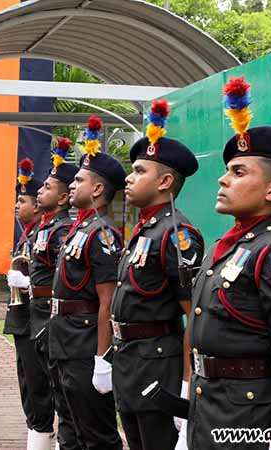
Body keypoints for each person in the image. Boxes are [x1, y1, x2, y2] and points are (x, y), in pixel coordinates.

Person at [186, 77, 271, 450]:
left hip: (249, 424)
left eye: (239, 172)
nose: (223, 180)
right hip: (209, 410)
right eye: (228, 170)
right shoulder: (227, 247)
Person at [108, 100, 204, 450]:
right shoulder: (145, 229)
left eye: (138, 171)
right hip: (130, 359)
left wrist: (186, 382)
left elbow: (192, 311)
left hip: (158, 365)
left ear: (165, 181)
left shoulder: (176, 234)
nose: (128, 179)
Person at [48, 116, 124, 450]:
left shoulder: (102, 232)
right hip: (64, 340)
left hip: (84, 343)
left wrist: (102, 358)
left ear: (97, 189)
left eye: (79, 179)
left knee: (96, 435)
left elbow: (107, 300)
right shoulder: (80, 228)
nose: (72, 185)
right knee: (69, 427)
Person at [29, 139, 82, 450]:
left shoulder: (62, 230)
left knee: (63, 399)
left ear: (63, 197)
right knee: (48, 389)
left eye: (47, 187)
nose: (39, 191)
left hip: (51, 314)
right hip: (38, 312)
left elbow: (66, 279)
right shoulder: (46, 227)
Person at [4, 157, 56, 449]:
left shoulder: (44, 234)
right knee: (28, 384)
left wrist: (28, 284)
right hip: (23, 318)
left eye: (21, 200)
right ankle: (38, 437)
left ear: (37, 205)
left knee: (39, 387)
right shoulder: (29, 235)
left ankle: (43, 437)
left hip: (38, 320)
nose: (16, 205)